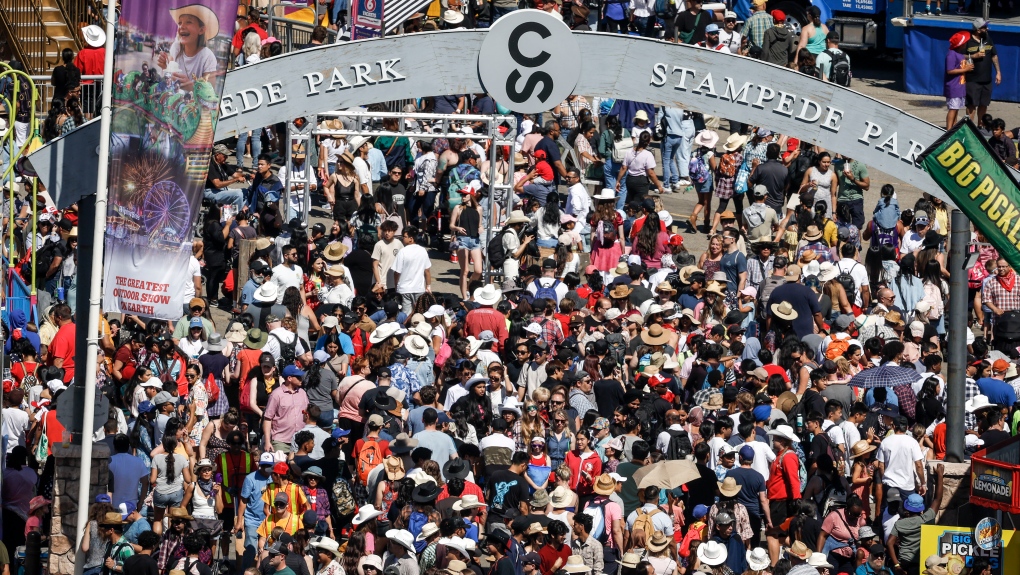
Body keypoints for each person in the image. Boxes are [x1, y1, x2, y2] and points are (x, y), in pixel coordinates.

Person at [964, 19, 1001, 122]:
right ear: (978, 30)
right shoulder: (968, 41)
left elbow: (994, 56)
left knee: (983, 105)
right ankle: (970, 128)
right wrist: (973, 56)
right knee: (971, 106)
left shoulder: (987, 38)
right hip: (972, 80)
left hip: (987, 80)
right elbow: (959, 56)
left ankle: (980, 127)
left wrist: (998, 72)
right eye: (985, 27)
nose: (987, 29)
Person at [391, 226, 432, 314]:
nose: (402, 238)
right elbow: (427, 271)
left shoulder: (402, 251)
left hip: (404, 289)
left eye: (404, 236)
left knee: (406, 314)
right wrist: (428, 286)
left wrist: (396, 286)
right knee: (420, 314)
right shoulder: (423, 251)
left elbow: (397, 272)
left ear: (411, 239)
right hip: (419, 289)